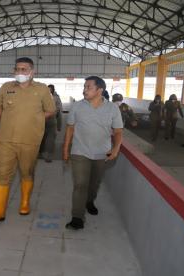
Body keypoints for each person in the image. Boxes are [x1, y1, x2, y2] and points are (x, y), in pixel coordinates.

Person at [0, 57, 56, 223]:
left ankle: (25, 203)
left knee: (27, 173)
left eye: (24, 69)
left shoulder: (42, 89)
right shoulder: (6, 87)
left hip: (30, 140)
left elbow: (51, 110)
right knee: (3, 175)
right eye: (17, 69)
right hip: (6, 140)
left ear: (32, 71)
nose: (20, 72)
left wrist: (35, 119)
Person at [62, 76, 123, 230]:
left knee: (94, 183)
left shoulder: (112, 108)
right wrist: (66, 148)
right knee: (80, 184)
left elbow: (118, 131)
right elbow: (70, 128)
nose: (84, 90)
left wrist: (115, 148)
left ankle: (90, 201)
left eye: (88, 87)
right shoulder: (77, 106)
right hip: (80, 151)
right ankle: (77, 217)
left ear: (99, 90)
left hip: (101, 153)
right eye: (84, 86)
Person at [39, 85, 63, 162]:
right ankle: (42, 153)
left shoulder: (54, 98)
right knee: (42, 137)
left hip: (51, 120)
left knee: (50, 138)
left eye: (50, 90)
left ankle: (47, 155)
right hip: (42, 120)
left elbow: (59, 110)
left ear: (53, 90)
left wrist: (59, 124)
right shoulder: (42, 97)